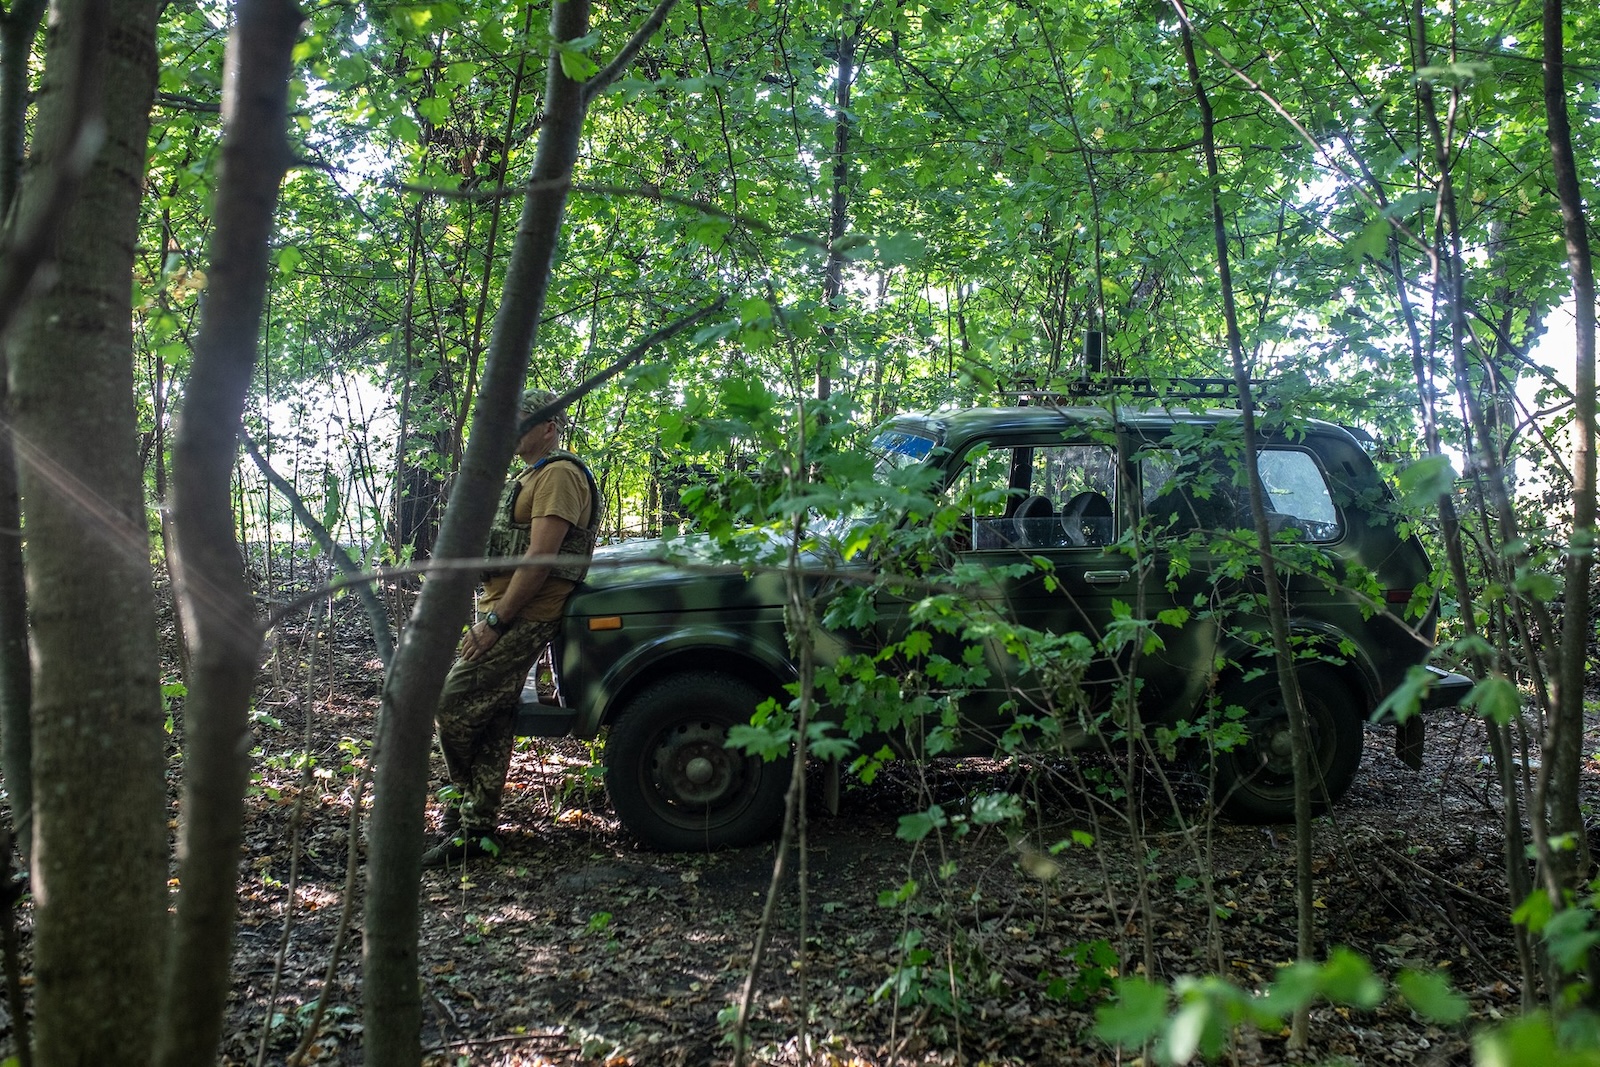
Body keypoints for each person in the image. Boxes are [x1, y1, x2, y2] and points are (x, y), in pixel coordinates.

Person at [423, 388, 601, 867]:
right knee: (494, 715)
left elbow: (541, 558)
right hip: (502, 606)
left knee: (452, 702)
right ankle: (472, 828)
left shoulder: (560, 474)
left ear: (549, 426)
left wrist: (496, 624)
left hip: (527, 611)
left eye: (524, 418)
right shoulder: (530, 475)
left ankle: (464, 807)